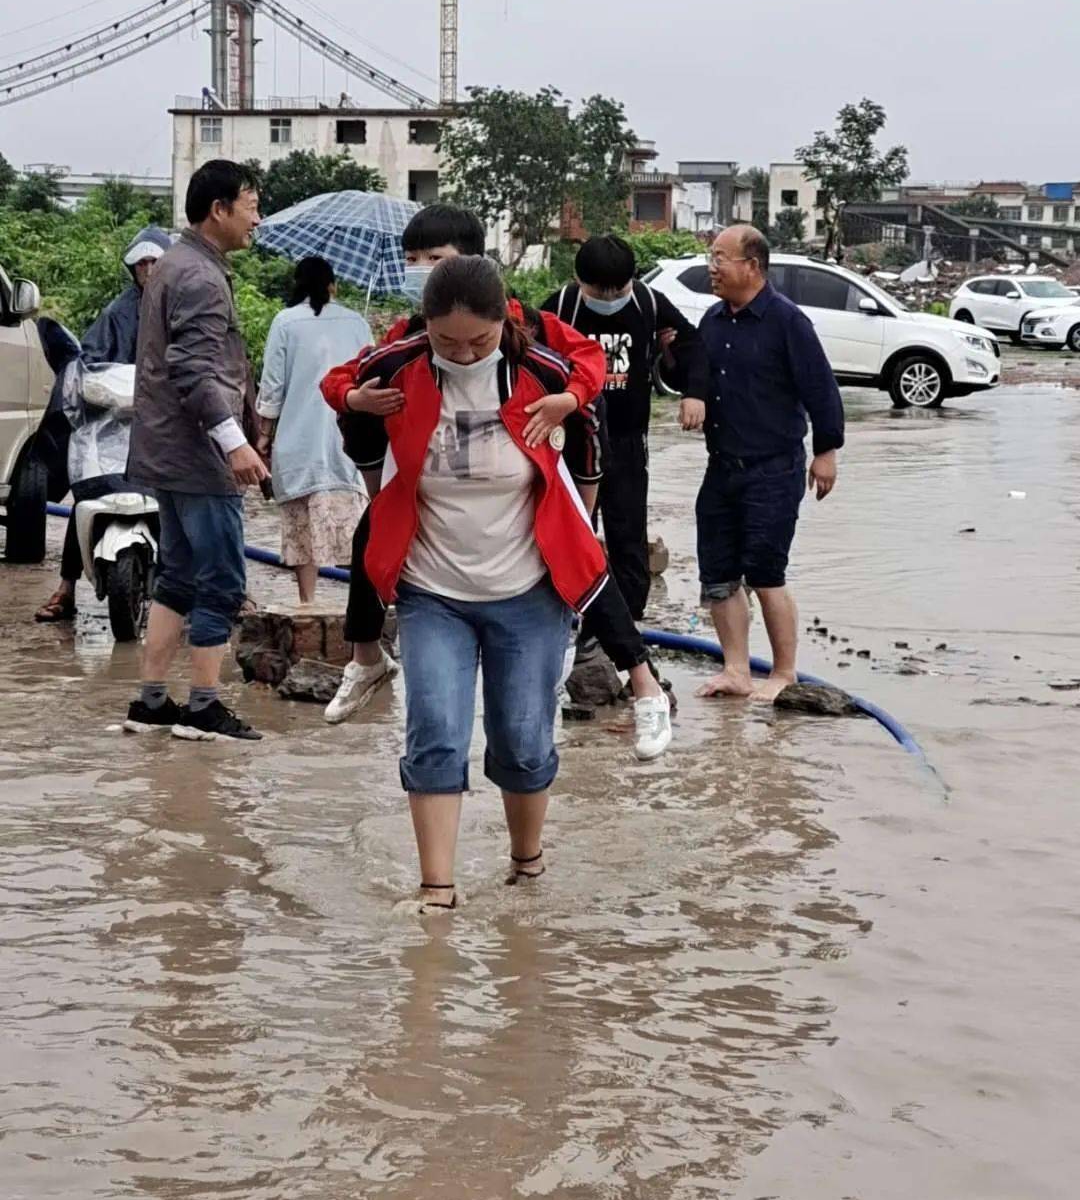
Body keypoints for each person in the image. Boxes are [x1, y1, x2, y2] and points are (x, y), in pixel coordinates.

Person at [319, 205, 672, 761]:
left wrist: (569, 403)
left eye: (434, 259)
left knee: (585, 562)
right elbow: (345, 376)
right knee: (372, 541)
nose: (422, 270)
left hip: (531, 473)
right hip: (437, 486)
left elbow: (587, 369)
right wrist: (354, 399)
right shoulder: (414, 338)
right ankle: (366, 658)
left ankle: (644, 686)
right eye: (412, 260)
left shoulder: (528, 335)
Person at [345, 254, 620, 912]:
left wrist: (572, 408)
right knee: (435, 730)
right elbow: (344, 388)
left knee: (523, 743)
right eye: (446, 341)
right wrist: (356, 399)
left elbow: (589, 398)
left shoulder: (537, 372)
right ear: (426, 329)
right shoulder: (403, 367)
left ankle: (527, 866)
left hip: (528, 591)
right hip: (432, 591)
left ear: (505, 323)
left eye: (479, 340)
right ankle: (436, 888)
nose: (463, 354)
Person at [123, 160, 267, 741]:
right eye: (252, 205)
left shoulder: (174, 264)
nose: (257, 219)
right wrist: (234, 443)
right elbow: (194, 369)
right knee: (223, 582)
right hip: (200, 456)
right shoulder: (202, 277)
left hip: (167, 453)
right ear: (220, 210)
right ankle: (203, 708)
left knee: (177, 577)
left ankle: (152, 702)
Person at [695, 225, 843, 701]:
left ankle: (784, 672)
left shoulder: (787, 321)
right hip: (721, 467)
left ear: (752, 266)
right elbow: (695, 373)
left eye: (721, 258)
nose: (712, 267)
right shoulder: (713, 321)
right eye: (711, 257)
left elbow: (821, 388)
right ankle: (736, 669)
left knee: (765, 570)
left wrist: (826, 452)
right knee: (717, 574)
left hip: (773, 468)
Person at [542, 234, 708, 631]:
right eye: (600, 289)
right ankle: (563, 613)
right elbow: (526, 352)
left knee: (628, 532)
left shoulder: (648, 303)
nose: (610, 296)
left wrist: (694, 393)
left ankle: (630, 620)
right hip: (570, 440)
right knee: (570, 527)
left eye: (619, 287)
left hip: (627, 437)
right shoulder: (562, 307)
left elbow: (692, 344)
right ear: (579, 280)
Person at [34, 227, 171, 623]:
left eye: (154, 261)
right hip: (115, 423)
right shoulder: (115, 312)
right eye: (141, 262)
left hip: (167, 424)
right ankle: (66, 588)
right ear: (132, 267)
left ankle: (210, 590)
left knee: (189, 498)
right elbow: (90, 360)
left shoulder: (182, 307)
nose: (147, 268)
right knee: (88, 495)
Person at [254, 257, 370, 606]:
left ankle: (307, 604)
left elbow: (272, 387)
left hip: (298, 443)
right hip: (347, 442)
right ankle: (359, 608)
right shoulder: (357, 322)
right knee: (356, 533)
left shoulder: (285, 322)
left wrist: (263, 434)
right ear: (332, 286)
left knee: (303, 538)